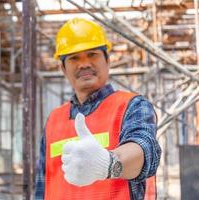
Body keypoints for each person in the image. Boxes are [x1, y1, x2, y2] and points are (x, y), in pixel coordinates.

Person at [35, 18, 161, 200]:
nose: (84, 63)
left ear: (107, 60)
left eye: (92, 54)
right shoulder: (53, 120)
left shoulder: (132, 106)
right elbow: (43, 186)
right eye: (74, 58)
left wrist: (108, 164)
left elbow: (144, 149)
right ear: (63, 68)